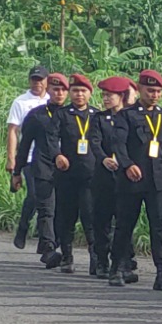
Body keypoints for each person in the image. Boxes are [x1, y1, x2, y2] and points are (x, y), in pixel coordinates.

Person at [107, 70, 162, 290]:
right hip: (132, 178)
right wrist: (127, 165)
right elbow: (118, 144)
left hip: (159, 180)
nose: (154, 95)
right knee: (125, 225)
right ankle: (116, 267)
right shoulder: (126, 115)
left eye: (157, 92)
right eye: (150, 90)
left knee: (161, 227)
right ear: (139, 89)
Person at [12, 73, 70, 269]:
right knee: (46, 209)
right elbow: (25, 145)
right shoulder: (37, 115)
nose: (59, 93)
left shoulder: (73, 114)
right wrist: (16, 171)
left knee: (63, 210)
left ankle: (61, 246)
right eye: (55, 89)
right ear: (48, 91)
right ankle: (48, 249)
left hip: (69, 171)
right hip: (42, 167)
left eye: (63, 89)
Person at [52, 74, 100, 274]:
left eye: (83, 91)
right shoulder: (62, 115)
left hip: (91, 174)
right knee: (66, 216)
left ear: (90, 93)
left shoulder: (97, 115)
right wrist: (57, 155)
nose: (79, 94)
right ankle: (67, 256)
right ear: (70, 93)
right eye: (75, 91)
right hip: (67, 173)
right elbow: (51, 139)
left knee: (91, 216)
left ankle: (95, 258)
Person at [89, 77, 133, 278]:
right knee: (102, 219)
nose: (106, 99)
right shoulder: (99, 118)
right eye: (104, 95)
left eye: (110, 95)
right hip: (104, 175)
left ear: (121, 96)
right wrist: (104, 159)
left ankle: (123, 261)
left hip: (124, 175)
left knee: (124, 220)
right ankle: (100, 260)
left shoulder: (131, 117)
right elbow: (94, 142)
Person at [6, 65, 50, 250]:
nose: (37, 83)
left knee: (47, 199)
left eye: (40, 79)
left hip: (50, 157)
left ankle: (45, 238)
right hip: (29, 156)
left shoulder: (52, 100)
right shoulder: (21, 102)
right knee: (33, 194)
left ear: (47, 80)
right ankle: (23, 227)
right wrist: (12, 158)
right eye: (34, 79)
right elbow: (13, 131)